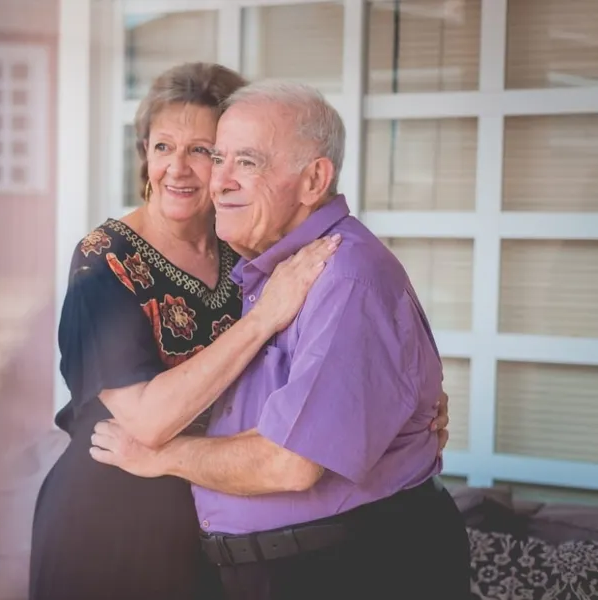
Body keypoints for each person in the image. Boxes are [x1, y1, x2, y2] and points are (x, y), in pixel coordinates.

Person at [29, 64, 450, 600]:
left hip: (210, 529)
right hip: (115, 517)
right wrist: (262, 319)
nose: (183, 169)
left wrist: (405, 405)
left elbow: (332, 368)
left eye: (208, 152)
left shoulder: (250, 247)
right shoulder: (105, 261)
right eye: (163, 147)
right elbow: (147, 423)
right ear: (144, 154)